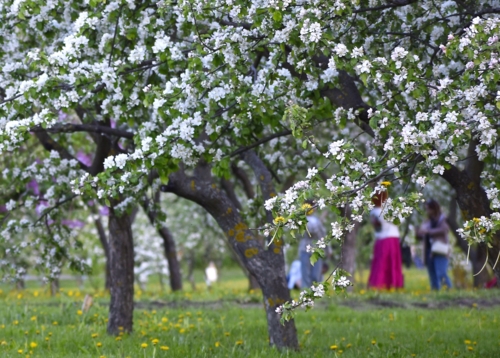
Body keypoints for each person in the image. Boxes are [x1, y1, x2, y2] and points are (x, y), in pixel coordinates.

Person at [367, 192, 404, 290]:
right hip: (390, 238)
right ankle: (389, 283)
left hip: (380, 239)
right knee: (389, 262)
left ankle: (378, 283)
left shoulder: (374, 212)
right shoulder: (382, 212)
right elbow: (400, 220)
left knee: (380, 262)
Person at [418, 199, 452, 290]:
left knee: (441, 272)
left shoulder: (443, 219)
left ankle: (449, 290)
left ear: (434, 209)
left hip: (440, 248)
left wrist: (428, 231)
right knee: (432, 273)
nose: (427, 211)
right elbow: (423, 232)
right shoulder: (428, 221)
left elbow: (444, 230)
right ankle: (436, 292)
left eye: (429, 209)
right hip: (429, 249)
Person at [299, 202, 327, 289]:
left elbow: (323, 235)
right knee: (305, 273)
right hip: (305, 248)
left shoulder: (316, 220)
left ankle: (316, 292)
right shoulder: (302, 220)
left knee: (316, 273)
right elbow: (309, 231)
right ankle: (305, 293)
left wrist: (328, 250)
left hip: (316, 248)